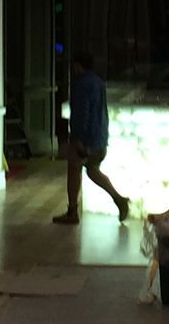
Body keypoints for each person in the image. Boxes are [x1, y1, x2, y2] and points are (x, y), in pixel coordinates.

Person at [54, 52, 129, 226]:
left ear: (78, 65)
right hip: (99, 136)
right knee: (92, 169)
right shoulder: (98, 82)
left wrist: (78, 138)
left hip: (85, 138)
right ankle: (119, 199)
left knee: (74, 170)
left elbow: (82, 112)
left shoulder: (81, 85)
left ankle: (72, 211)